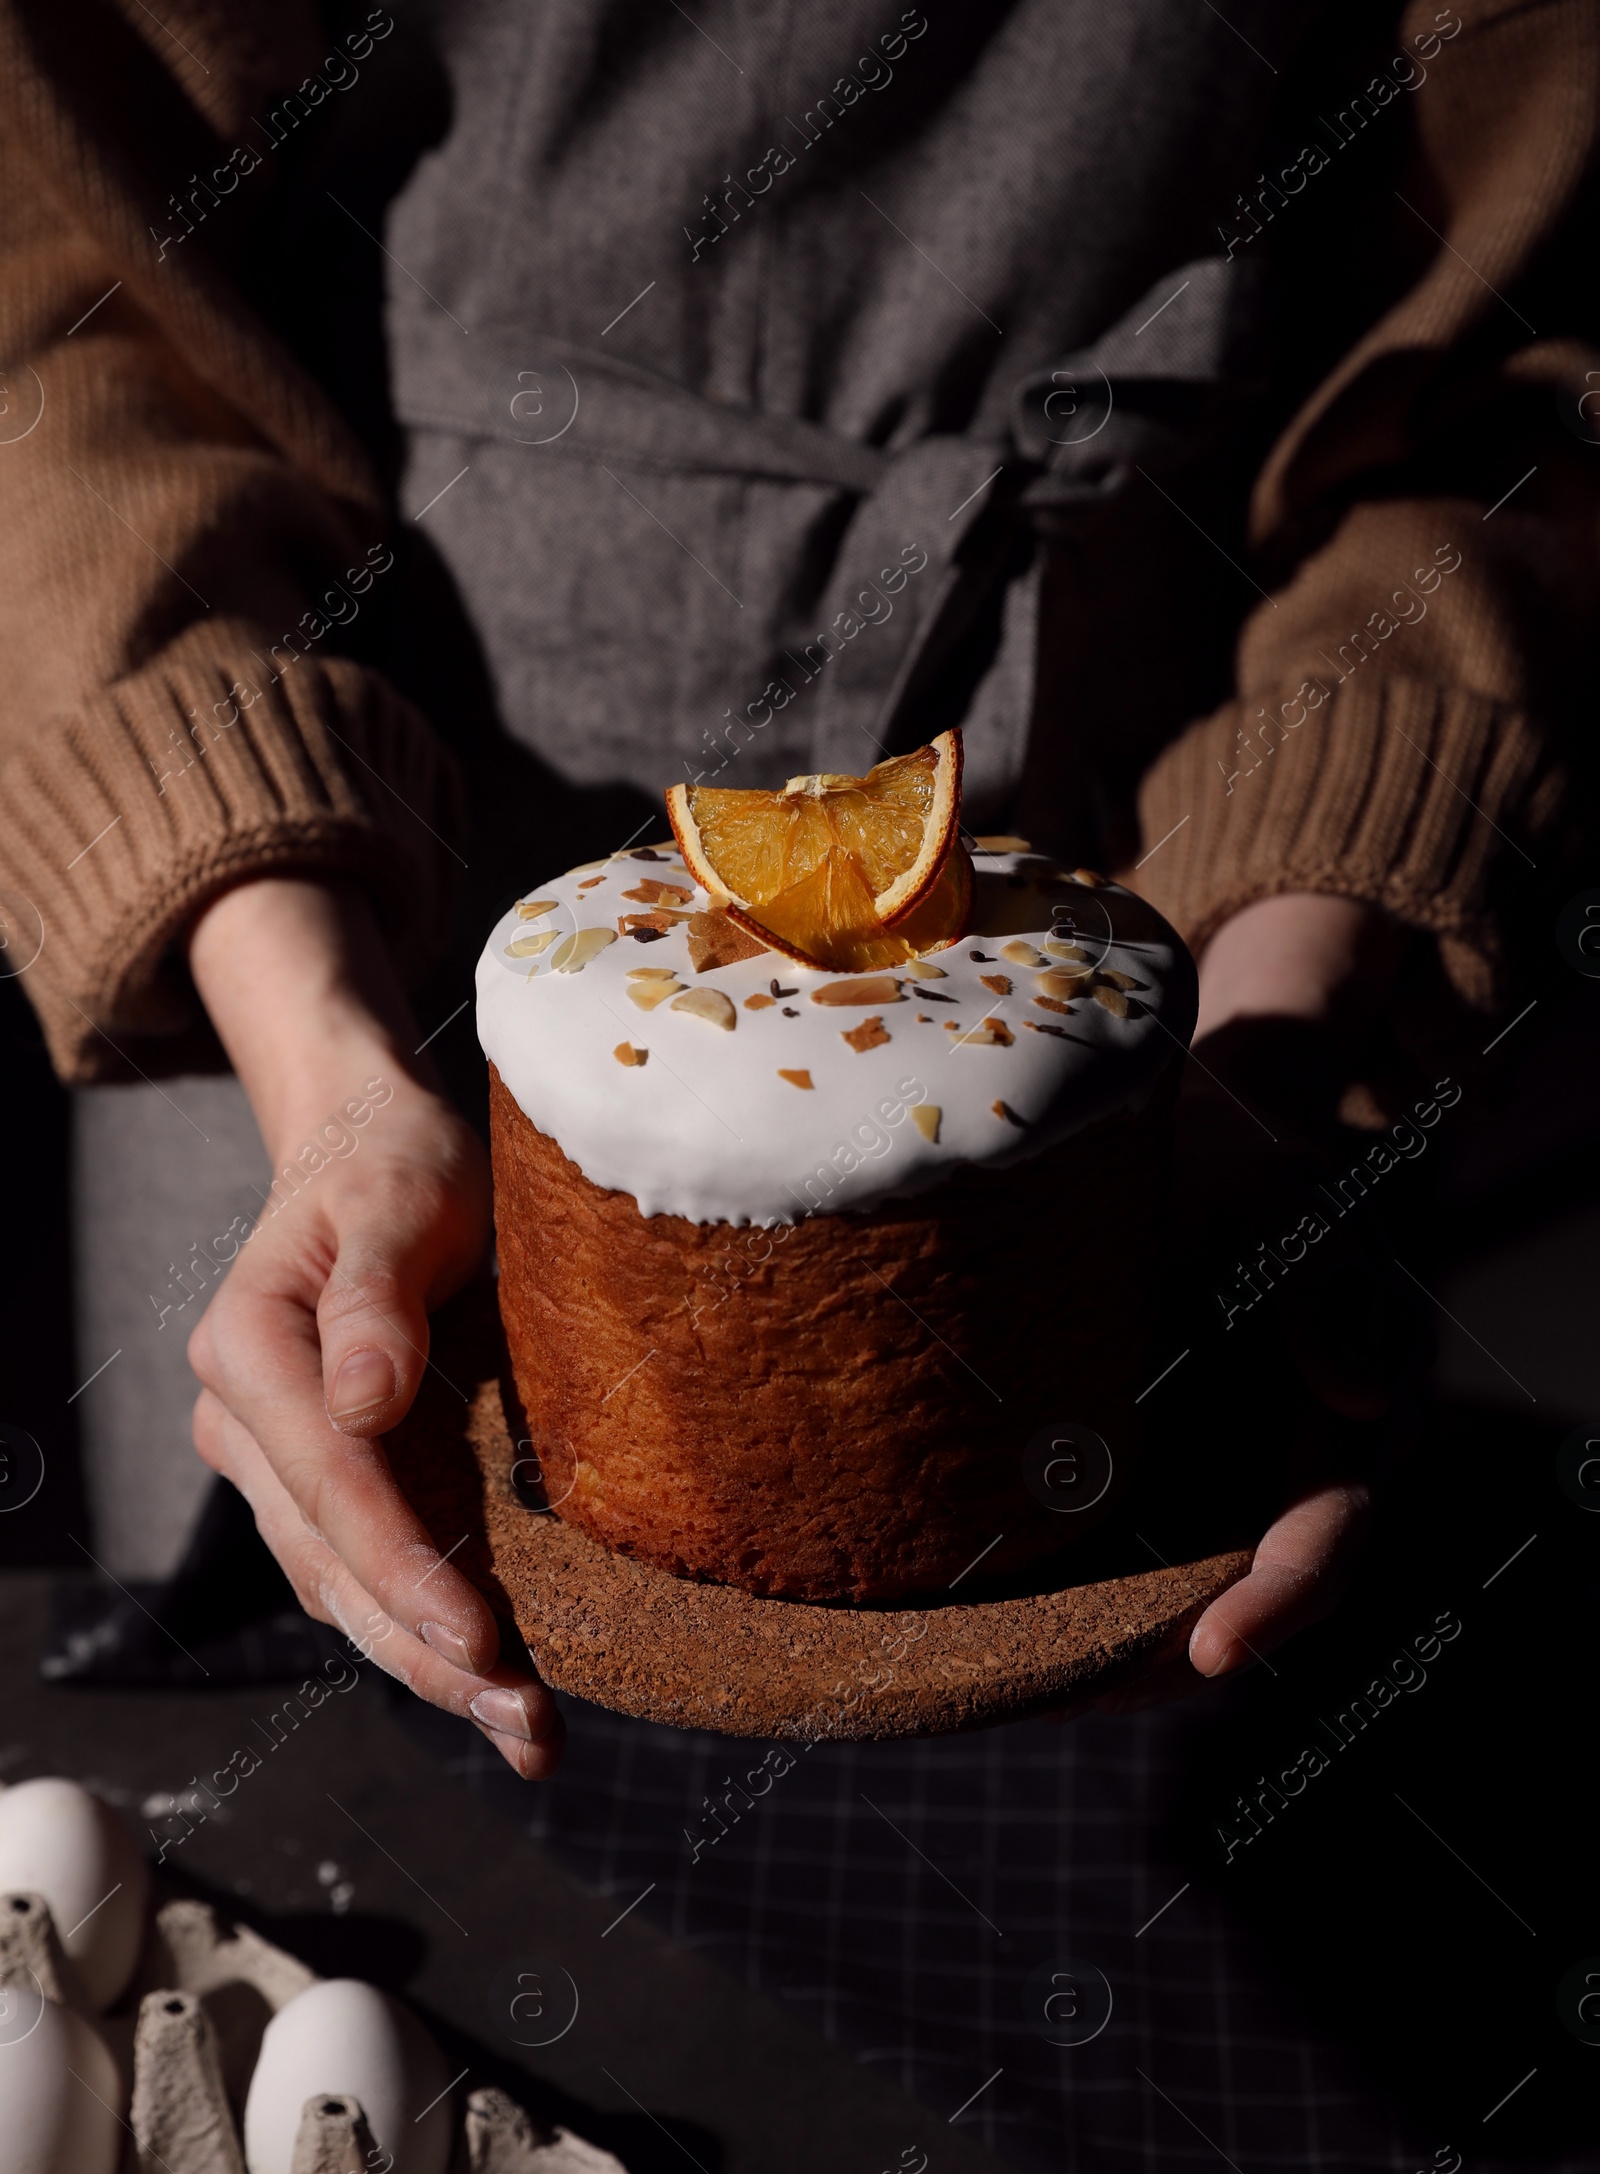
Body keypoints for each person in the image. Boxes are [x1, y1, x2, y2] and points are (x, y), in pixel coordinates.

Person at [2, 0, 1594, 1777]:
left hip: (1186, 893)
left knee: (1057, 1917)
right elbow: (50, 276)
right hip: (323, 881)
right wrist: (320, 1061)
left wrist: (1281, 1023)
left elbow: (1523, 373)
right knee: (341, 1783)